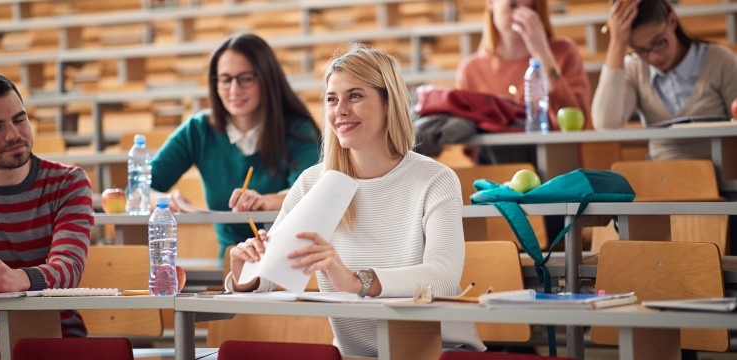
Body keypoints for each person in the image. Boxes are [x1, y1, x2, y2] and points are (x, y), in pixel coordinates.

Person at [226, 43, 486, 357]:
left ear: (388, 103)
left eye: (356, 96)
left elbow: (442, 276)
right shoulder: (312, 183)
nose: (340, 111)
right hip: (356, 355)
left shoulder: (434, 179)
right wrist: (246, 273)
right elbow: (269, 276)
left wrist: (357, 281)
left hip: (439, 352)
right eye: (332, 99)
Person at [150, 33, 320, 265]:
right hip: (231, 266)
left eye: (245, 78)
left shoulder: (298, 130)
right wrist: (166, 200)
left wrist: (265, 201)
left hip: (290, 262)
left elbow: (311, 193)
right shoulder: (198, 130)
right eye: (225, 79)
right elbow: (138, 191)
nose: (234, 90)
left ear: (267, 79)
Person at [0, 72, 93, 348]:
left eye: (20, 119)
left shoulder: (68, 182)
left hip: (58, 346)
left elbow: (68, 268)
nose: (14, 134)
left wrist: (18, 278)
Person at [592, 0, 737, 160]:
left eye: (659, 42)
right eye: (641, 50)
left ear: (672, 21)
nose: (654, 56)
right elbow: (605, 123)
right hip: (661, 177)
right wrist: (617, 43)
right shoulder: (635, 67)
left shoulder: (720, 60)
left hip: (720, 178)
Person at [455, 0, 591, 133]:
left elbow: (577, 123)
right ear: (491, 2)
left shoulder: (564, 52)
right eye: (512, 5)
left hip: (555, 154)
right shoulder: (471, 69)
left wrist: (542, 54)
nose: (523, 16)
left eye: (532, 8)